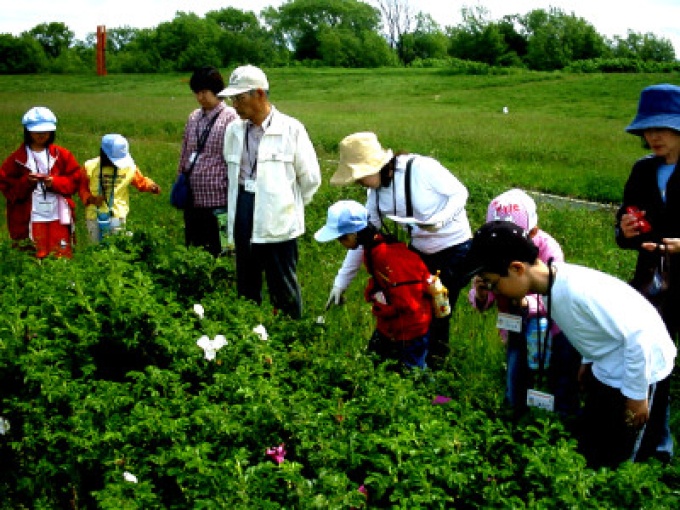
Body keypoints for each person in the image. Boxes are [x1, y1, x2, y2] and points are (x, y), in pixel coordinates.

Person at [464, 220, 676, 468]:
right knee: (596, 434)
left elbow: (639, 335)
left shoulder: (575, 290)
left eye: (494, 283)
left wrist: (637, 396)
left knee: (623, 444)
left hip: (640, 368)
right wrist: (588, 359)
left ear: (517, 268)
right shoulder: (550, 287)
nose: (495, 291)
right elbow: (592, 328)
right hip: (609, 362)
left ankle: (629, 476)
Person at [326, 132, 471, 368]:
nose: (358, 182)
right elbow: (363, 236)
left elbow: (460, 193)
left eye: (360, 175)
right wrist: (341, 282)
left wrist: (440, 221)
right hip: (420, 254)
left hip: (454, 248)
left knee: (438, 312)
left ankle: (434, 377)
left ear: (377, 165)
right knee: (417, 314)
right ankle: (406, 368)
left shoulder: (422, 168)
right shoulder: (374, 195)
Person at [219, 65, 321, 319]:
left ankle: (292, 336)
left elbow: (309, 178)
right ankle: (250, 333)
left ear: (260, 95)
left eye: (240, 98)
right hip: (243, 206)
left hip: (279, 215)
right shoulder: (233, 130)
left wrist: (288, 204)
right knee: (246, 277)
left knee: (282, 281)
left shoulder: (291, 129)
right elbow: (231, 171)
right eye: (233, 99)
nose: (235, 105)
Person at [469, 189, 581, 416]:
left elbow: (554, 289)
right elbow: (486, 293)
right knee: (517, 372)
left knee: (559, 376)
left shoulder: (548, 250)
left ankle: (562, 421)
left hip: (551, 329)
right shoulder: (490, 248)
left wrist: (528, 304)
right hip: (514, 327)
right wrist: (481, 295)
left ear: (533, 231)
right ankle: (516, 416)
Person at [616, 82, 680, 465]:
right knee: (654, 364)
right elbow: (626, 229)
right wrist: (624, 231)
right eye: (647, 129)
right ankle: (656, 446)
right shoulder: (643, 170)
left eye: (662, 128)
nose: (652, 136)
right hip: (653, 286)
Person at [315, 200, 433, 369]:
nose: (340, 243)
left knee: (415, 375)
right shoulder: (372, 249)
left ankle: (442, 397)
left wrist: (380, 307)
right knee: (373, 362)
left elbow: (408, 302)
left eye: (341, 238)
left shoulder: (386, 256)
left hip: (410, 329)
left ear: (354, 234)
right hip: (390, 325)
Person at [0, 106, 81, 258]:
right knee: (34, 254)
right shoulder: (16, 159)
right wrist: (26, 182)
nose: (41, 135)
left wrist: (55, 182)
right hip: (32, 216)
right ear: (27, 131)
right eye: (36, 131)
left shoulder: (62, 155)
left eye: (45, 131)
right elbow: (7, 188)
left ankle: (63, 280)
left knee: (61, 253)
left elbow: (75, 180)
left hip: (58, 214)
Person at [177, 65, 238, 257]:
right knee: (194, 249)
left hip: (219, 202)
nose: (200, 97)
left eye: (204, 92)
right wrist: (181, 178)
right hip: (193, 200)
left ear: (217, 91)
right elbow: (185, 151)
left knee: (223, 251)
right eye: (197, 93)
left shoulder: (231, 118)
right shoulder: (194, 117)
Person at [80, 134, 160, 242]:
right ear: (103, 153)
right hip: (94, 216)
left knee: (117, 248)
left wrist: (150, 186)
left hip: (118, 215)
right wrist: (91, 199)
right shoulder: (89, 166)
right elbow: (82, 188)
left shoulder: (129, 166)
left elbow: (140, 181)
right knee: (95, 249)